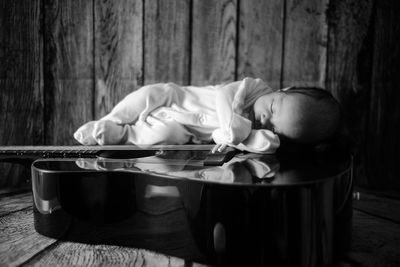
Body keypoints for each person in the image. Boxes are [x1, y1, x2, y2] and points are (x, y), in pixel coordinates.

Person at [74, 77, 341, 154]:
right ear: (284, 89)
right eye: (272, 109)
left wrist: (261, 141)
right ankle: (111, 119)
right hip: (176, 97)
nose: (265, 120)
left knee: (164, 135)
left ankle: (122, 135)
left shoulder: (263, 131)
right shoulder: (253, 88)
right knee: (147, 95)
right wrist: (234, 127)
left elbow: (260, 144)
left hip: (183, 128)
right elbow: (225, 94)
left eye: (276, 129)